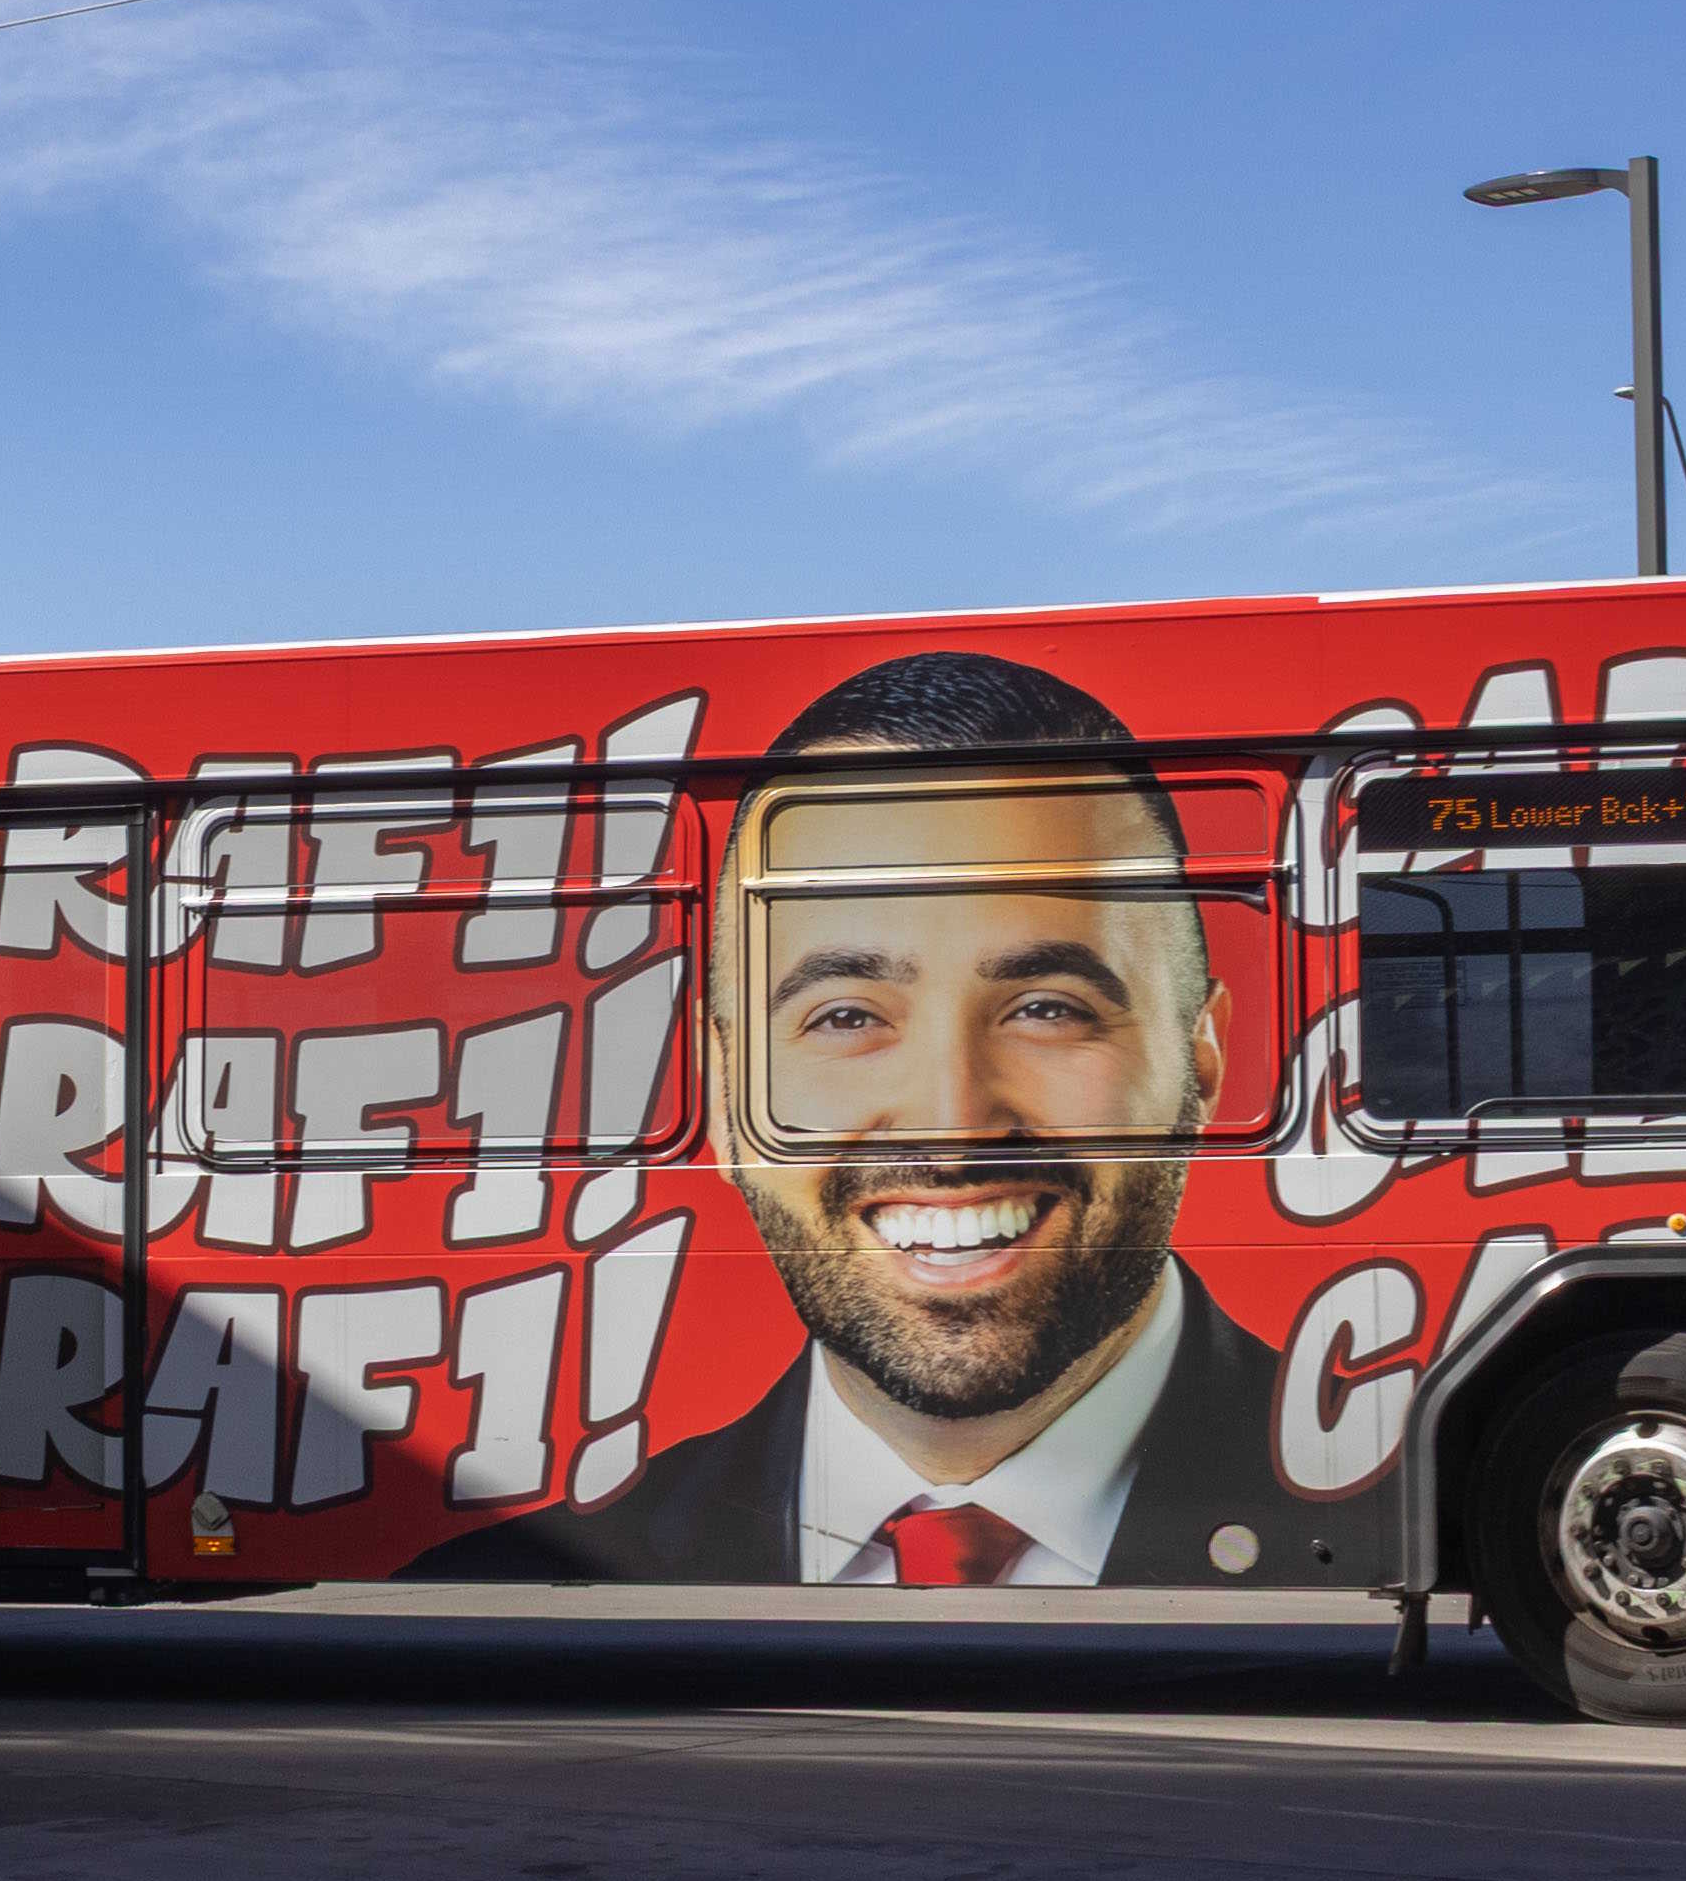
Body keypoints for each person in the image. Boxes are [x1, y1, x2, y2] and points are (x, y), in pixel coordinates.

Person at [416, 648, 1362, 1588]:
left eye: (1047, 1007)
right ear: (720, 1087)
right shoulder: (499, 1566)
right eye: (847, 1018)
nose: (951, 1125)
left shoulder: (1373, 1479)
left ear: (1202, 1052)